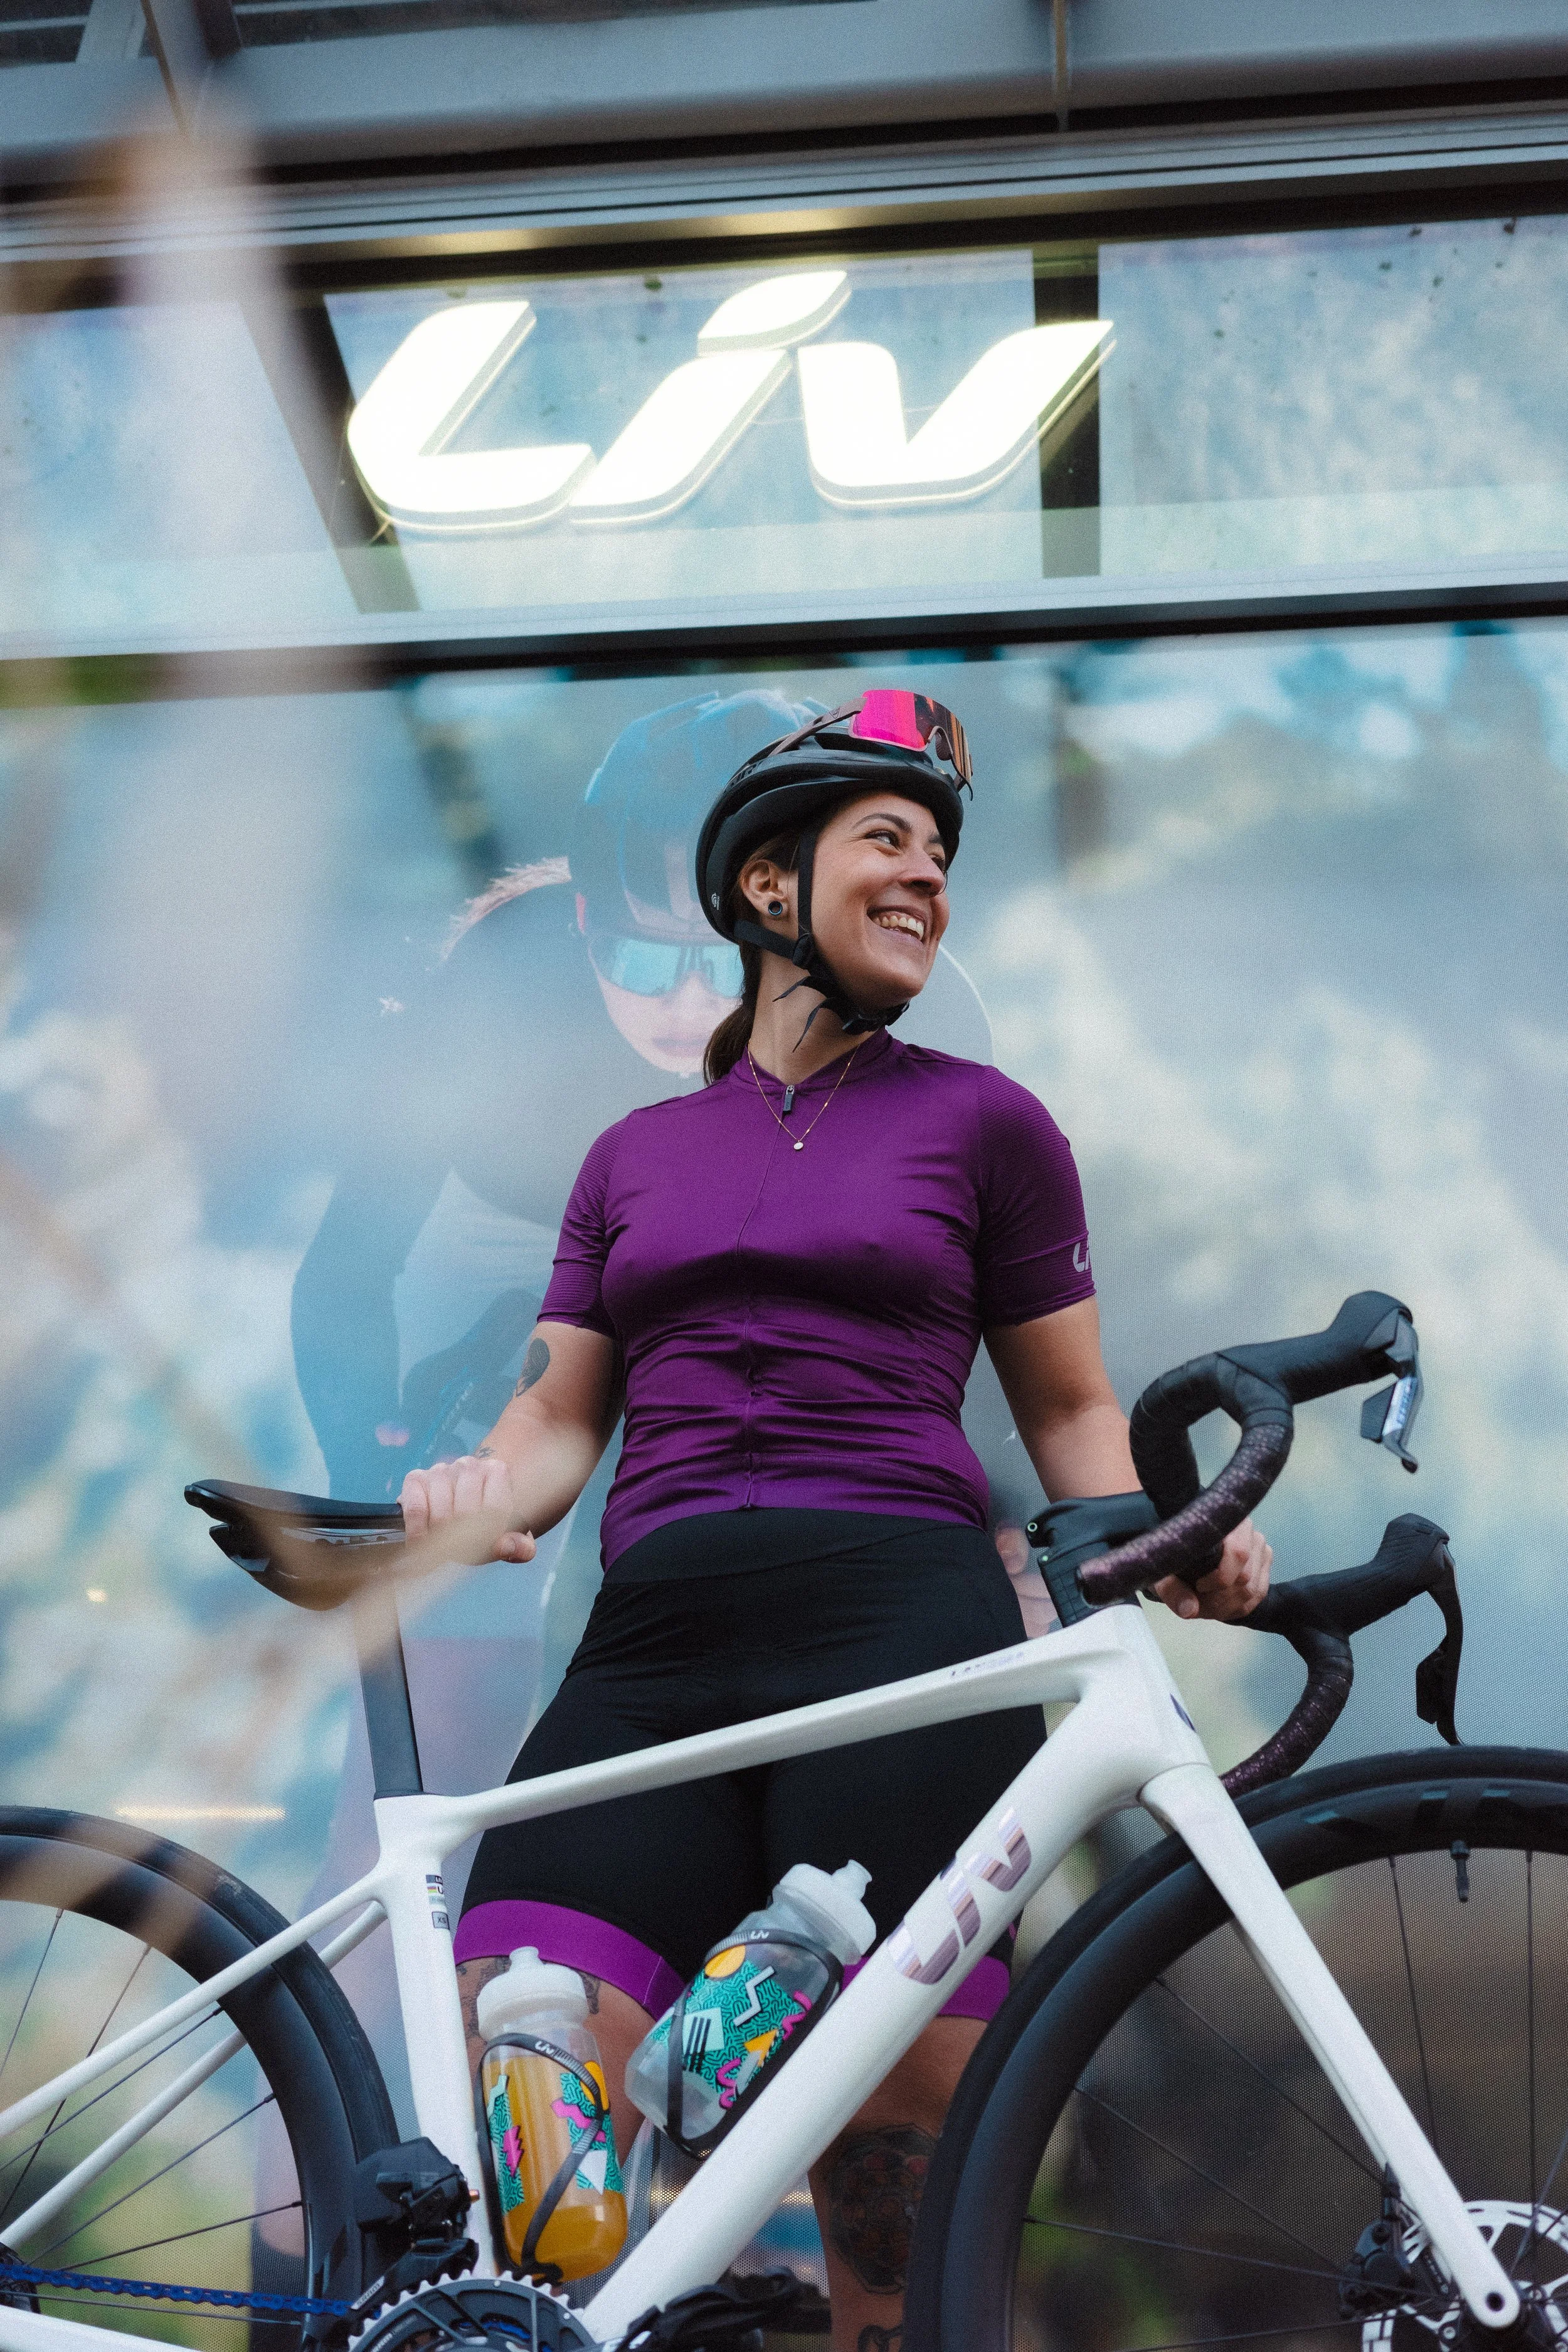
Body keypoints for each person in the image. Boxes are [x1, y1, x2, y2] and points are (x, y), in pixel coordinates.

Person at [400, 690, 1272, 2352]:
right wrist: (470, 1494)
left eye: (940, 854)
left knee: (903, 2247)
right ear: (764, 889)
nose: (926, 878)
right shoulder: (633, 1154)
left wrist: (1158, 1537)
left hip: (901, 1644)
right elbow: (555, 1422)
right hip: (650, 1651)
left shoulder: (985, 1125)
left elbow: (1070, 1412)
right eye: (887, 839)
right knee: (527, 2114)